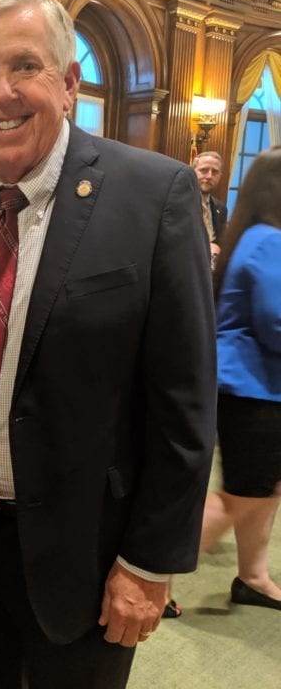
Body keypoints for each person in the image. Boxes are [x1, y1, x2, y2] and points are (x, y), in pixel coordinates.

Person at [0, 0, 217, 688]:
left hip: (90, 549)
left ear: (69, 81)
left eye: (24, 66)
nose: (3, 92)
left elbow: (185, 401)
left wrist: (148, 564)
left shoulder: (153, 196)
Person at [200, 147, 281, 611]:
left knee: (259, 490)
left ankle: (252, 577)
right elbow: (276, 324)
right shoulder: (269, 241)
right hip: (254, 389)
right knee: (239, 496)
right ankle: (154, 576)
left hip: (249, 385)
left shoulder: (251, 236)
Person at [193, 151, 227, 268]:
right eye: (204, 170)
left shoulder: (221, 208)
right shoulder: (180, 202)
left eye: (215, 172)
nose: (209, 176)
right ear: (193, 172)